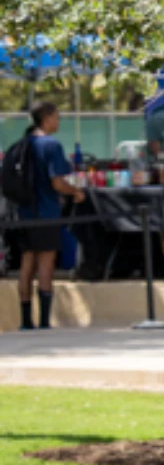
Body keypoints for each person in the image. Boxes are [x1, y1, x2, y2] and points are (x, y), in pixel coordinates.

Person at [10, 102, 87, 331]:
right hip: (46, 212)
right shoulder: (50, 145)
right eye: (57, 117)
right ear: (46, 118)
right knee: (45, 262)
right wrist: (75, 191)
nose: (58, 122)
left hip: (23, 213)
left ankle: (25, 320)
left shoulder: (20, 145)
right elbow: (57, 182)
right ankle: (43, 320)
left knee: (27, 263)